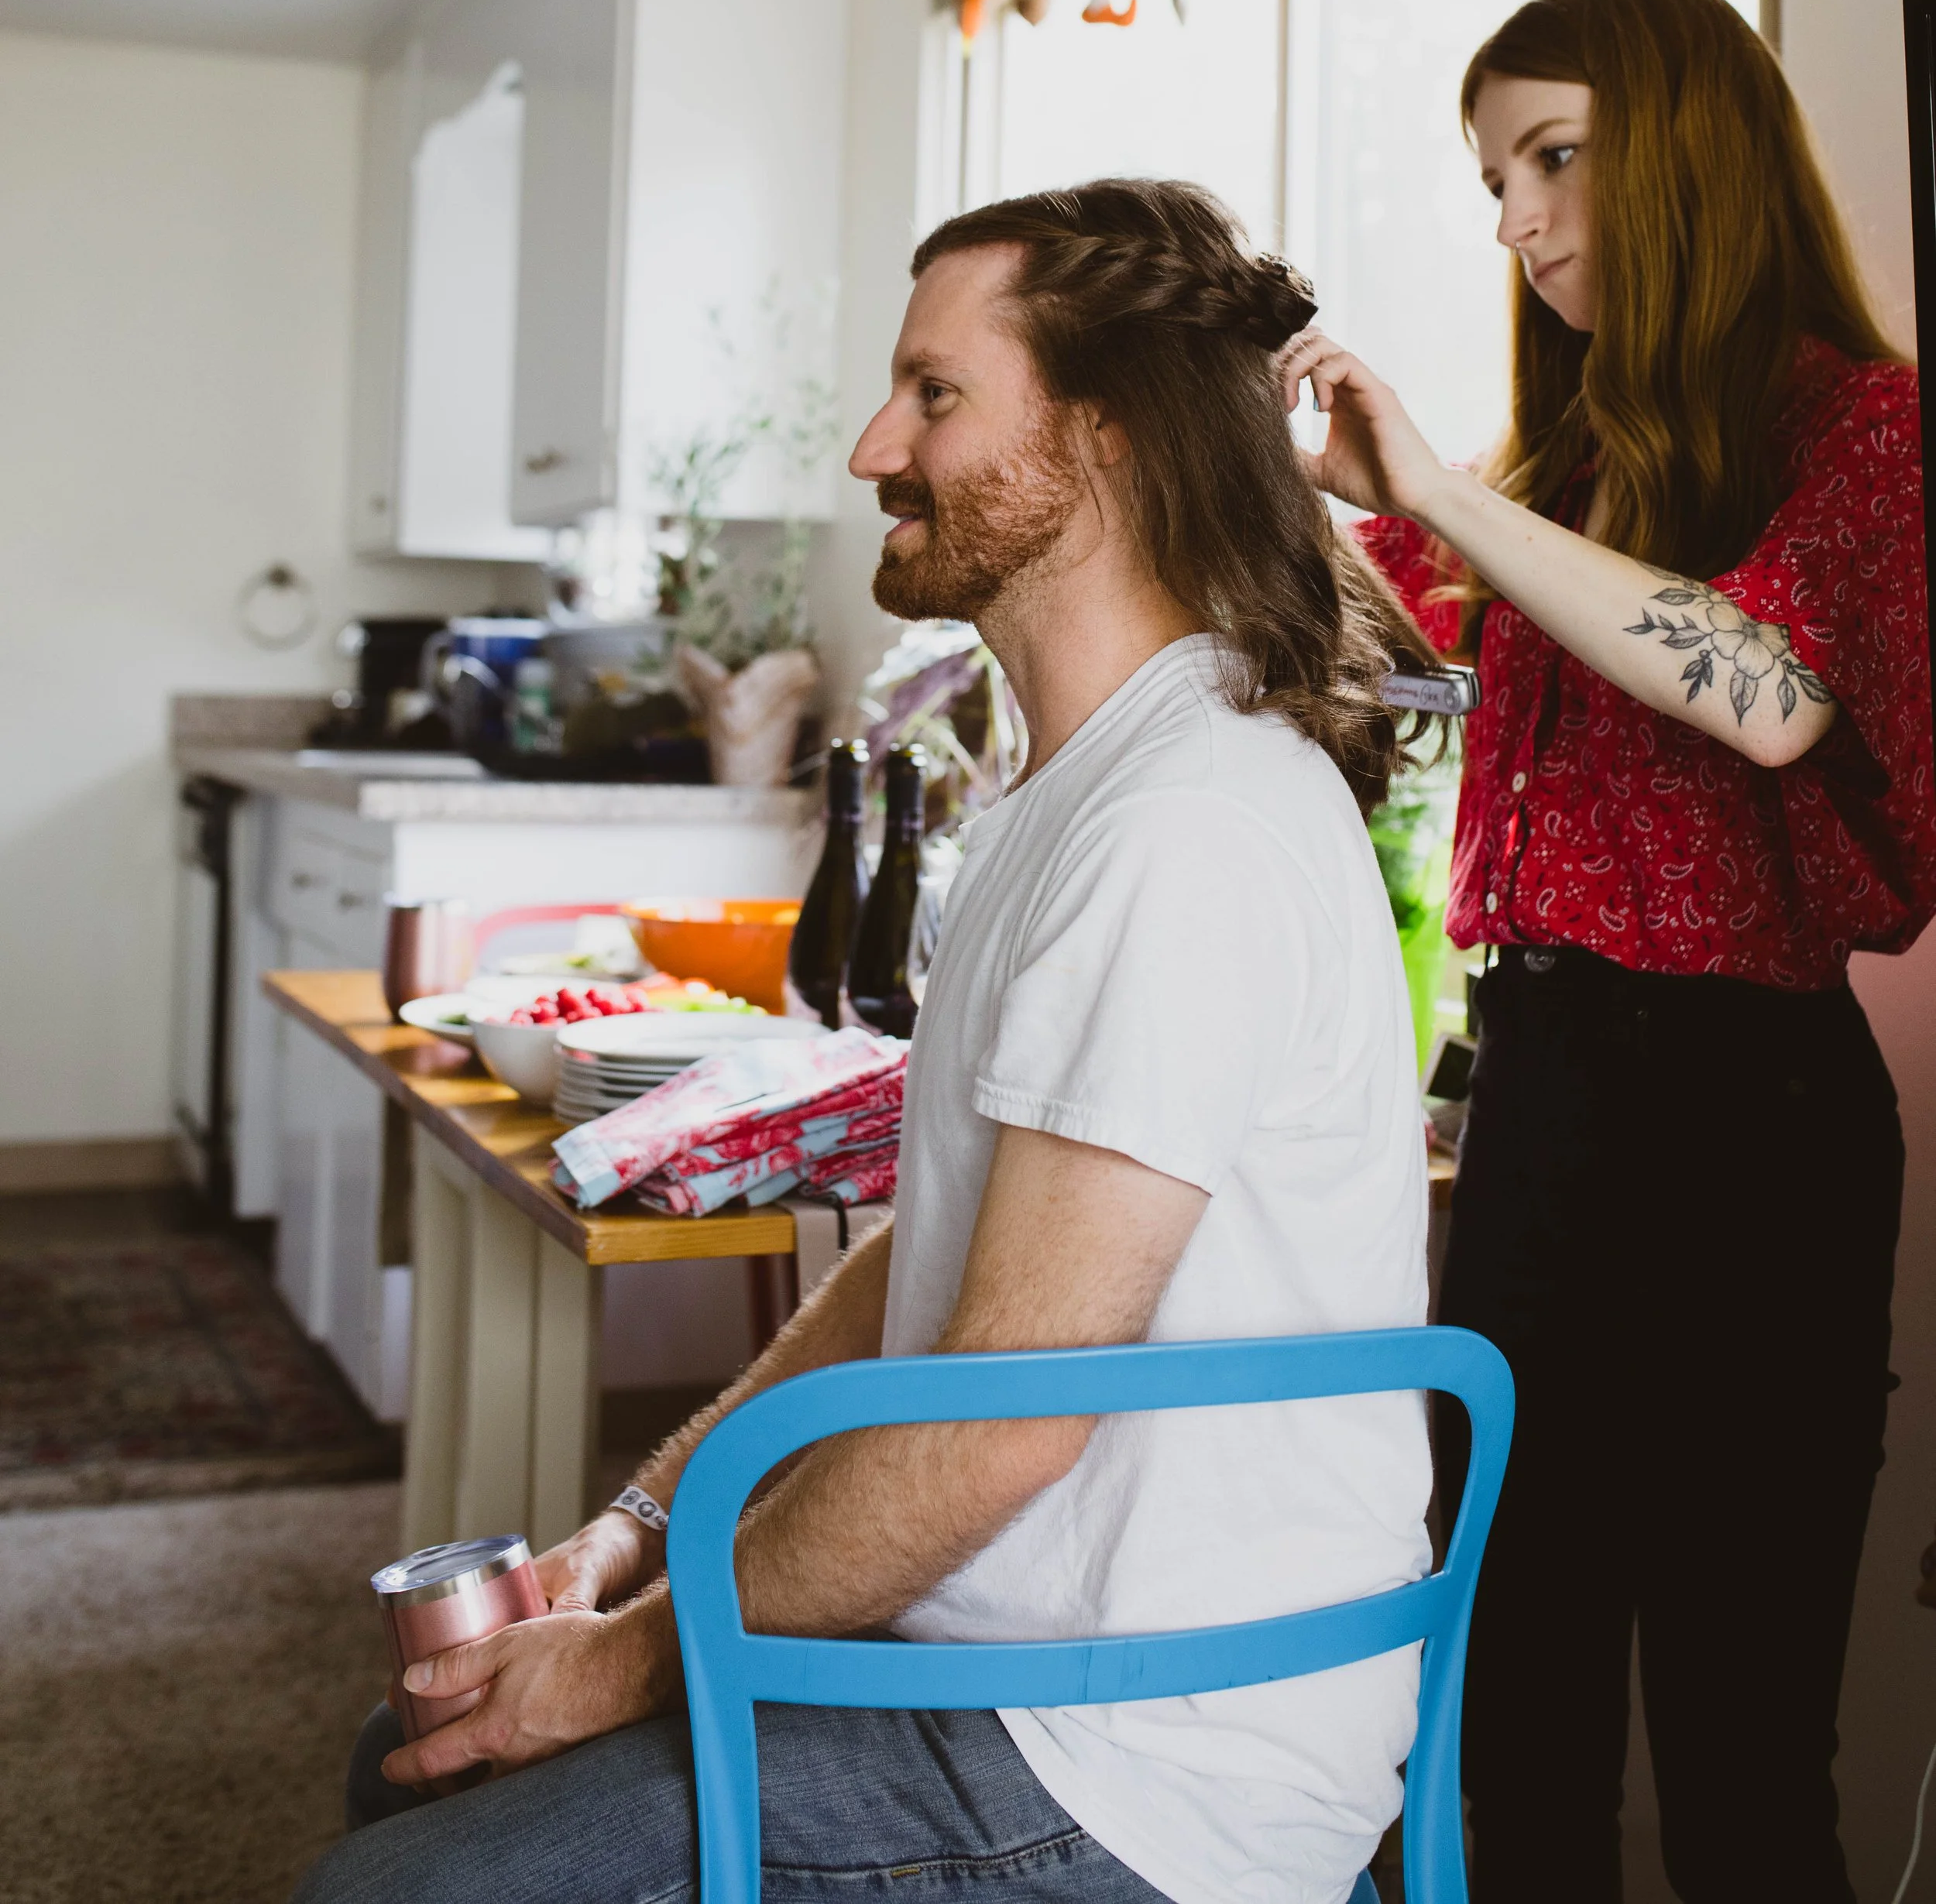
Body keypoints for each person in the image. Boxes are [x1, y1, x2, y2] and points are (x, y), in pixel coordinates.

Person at [297, 177, 1445, 1904]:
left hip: (1138, 1752)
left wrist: (609, 1667)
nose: (867, 447)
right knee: (404, 1762)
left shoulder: (1181, 829)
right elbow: (938, 1264)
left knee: (385, 1887)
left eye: (932, 393)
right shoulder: (1072, 789)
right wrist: (639, 1529)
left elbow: (991, 1431)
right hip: (1017, 1665)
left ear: (1107, 440)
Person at [1278, 0, 1936, 1904]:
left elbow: (1770, 693)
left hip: (1750, 1123)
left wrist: (1443, 499)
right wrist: (1297, 483)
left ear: (1692, 144)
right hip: (1542, 1098)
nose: (1516, 221)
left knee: (1741, 1771)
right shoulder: (1555, 480)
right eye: (1493, 177)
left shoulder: (1867, 431)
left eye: (1552, 157)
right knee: (1509, 1729)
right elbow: (1361, 665)